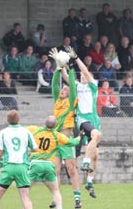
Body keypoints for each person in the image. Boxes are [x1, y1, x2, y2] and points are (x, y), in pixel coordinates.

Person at [51, 47, 101, 198]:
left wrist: (76, 58)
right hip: (81, 119)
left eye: (85, 76)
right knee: (93, 139)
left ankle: (90, 183)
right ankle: (78, 163)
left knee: (96, 154)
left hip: (93, 119)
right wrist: (62, 63)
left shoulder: (93, 86)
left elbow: (85, 71)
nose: (83, 76)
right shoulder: (77, 86)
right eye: (81, 76)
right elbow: (67, 77)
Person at [27, 116, 83, 209]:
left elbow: (22, 129)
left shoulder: (35, 130)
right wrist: (80, 136)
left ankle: (26, 206)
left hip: (36, 164)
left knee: (25, 191)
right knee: (56, 191)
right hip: (48, 165)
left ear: (45, 122)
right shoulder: (57, 136)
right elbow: (72, 142)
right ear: (56, 125)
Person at [50, 65, 83, 208]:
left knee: (71, 169)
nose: (62, 90)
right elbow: (54, 85)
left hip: (67, 140)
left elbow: (73, 87)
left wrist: (69, 69)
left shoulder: (71, 101)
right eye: (62, 89)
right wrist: (57, 69)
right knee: (55, 170)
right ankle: (56, 197)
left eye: (65, 89)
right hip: (56, 139)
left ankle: (77, 199)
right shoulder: (57, 100)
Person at [0, 110, 37, 209]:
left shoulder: (3, 132)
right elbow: (35, 148)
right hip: (22, 167)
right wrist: (27, 151)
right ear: (18, 119)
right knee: (25, 197)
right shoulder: (26, 131)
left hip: (9, 167)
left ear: (7, 120)